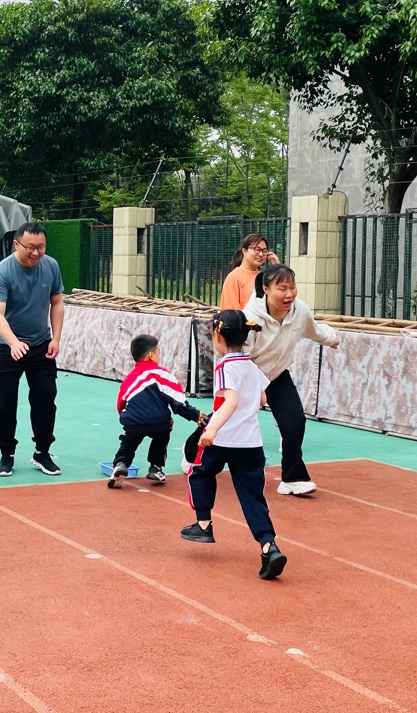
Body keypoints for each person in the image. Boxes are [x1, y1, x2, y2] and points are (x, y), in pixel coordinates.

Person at [181, 310, 287, 581]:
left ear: (218, 335)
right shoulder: (252, 366)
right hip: (250, 443)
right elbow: (262, 399)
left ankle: (203, 523)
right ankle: (268, 545)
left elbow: (231, 401)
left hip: (223, 439)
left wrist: (212, 429)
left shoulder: (224, 367)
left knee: (199, 472)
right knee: (253, 496)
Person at [243, 265, 341, 497]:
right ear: (266, 289)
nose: (289, 294)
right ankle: (193, 453)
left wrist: (331, 339)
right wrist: (254, 387)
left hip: (277, 374)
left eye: (292, 287)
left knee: (295, 421)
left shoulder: (300, 311)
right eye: (282, 288)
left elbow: (313, 330)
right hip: (247, 374)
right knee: (223, 419)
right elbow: (241, 356)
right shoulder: (250, 318)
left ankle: (292, 478)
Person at [0, 222, 65, 477]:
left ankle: (42, 451)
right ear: (16, 244)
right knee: (3, 401)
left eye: (41, 247)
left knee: (45, 398)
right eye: (30, 247)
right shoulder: (3, 271)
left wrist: (55, 338)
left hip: (41, 344)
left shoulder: (51, 266)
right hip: (5, 345)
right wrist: (13, 342)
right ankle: (6, 453)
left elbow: (57, 302)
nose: (36, 253)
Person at [109, 334, 206, 488]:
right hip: (159, 422)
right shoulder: (162, 374)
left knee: (129, 441)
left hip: (133, 420)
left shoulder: (129, 378)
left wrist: (127, 418)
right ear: (151, 355)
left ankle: (121, 464)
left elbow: (121, 403)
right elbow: (178, 402)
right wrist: (195, 415)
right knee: (162, 436)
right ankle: (156, 467)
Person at [219, 233, 281, 311]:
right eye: (257, 250)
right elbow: (231, 313)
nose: (261, 254)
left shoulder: (263, 276)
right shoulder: (234, 277)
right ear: (244, 251)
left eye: (264, 251)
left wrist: (277, 267)